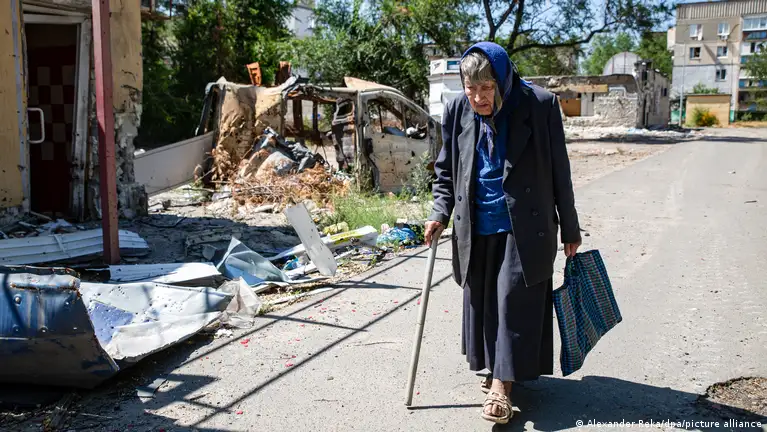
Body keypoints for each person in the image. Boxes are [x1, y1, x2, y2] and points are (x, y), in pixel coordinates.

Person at [423, 42, 582, 425]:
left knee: (512, 298)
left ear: (503, 80)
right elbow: (446, 171)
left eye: (487, 88)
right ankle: (499, 366)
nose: (478, 97)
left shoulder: (539, 105)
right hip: (476, 223)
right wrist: (439, 212)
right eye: (471, 88)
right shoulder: (457, 109)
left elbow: (559, 169)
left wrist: (570, 225)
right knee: (486, 300)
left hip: (524, 223)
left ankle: (500, 386)